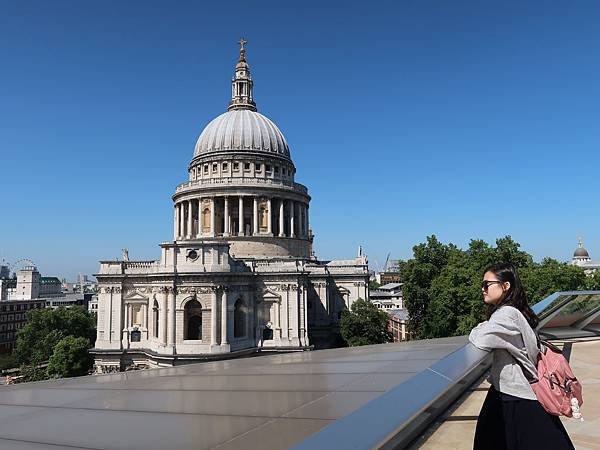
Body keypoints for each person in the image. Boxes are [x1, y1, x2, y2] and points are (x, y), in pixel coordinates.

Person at [469, 262, 575, 450]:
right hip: (513, 391)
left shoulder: (506, 314)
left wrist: (479, 327)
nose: (482, 289)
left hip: (515, 394)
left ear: (506, 286)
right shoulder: (515, 311)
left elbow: (481, 340)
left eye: (487, 284)